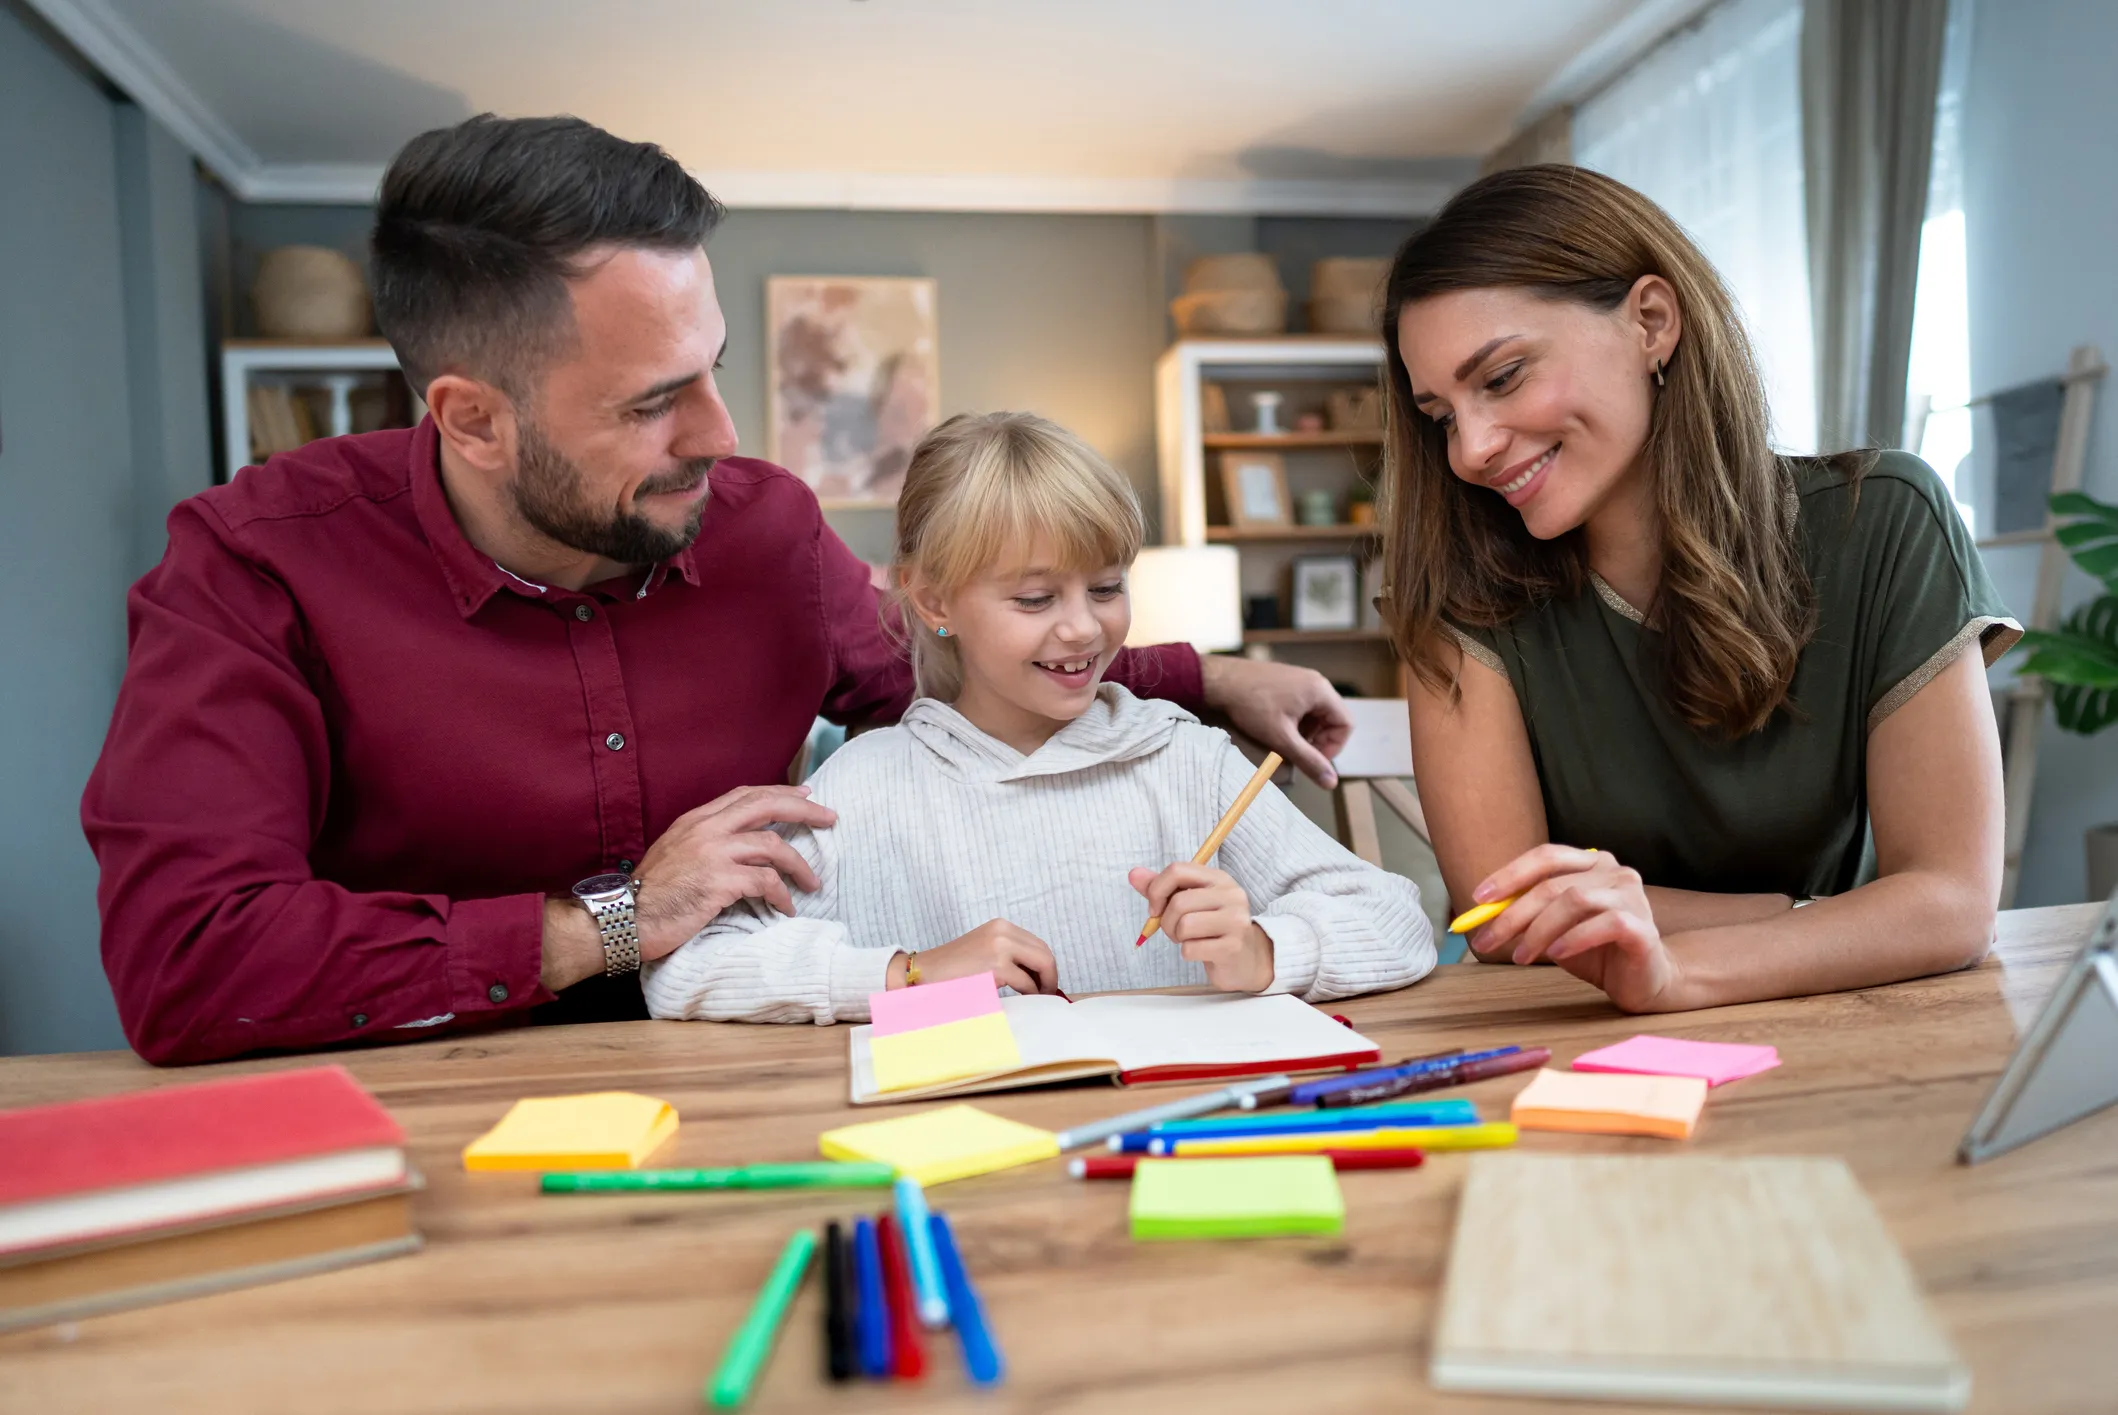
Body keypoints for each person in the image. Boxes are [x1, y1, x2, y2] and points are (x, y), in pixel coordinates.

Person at [80, 115, 1352, 1066]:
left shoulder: (766, 532)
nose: (722, 433)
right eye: (651, 402)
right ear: (471, 418)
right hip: (412, 1094)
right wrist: (617, 921)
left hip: (743, 1081)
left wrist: (1203, 674)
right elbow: (189, 964)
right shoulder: (257, 561)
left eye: (713, 370)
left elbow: (937, 676)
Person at [1380, 165, 2018, 1013]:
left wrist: (1676, 962)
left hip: (1865, 1025)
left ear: (1652, 321)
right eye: (1441, 415)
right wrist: (1819, 920)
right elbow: (1503, 917)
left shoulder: (1885, 522)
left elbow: (1950, 900)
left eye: (1501, 378)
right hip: (1586, 1042)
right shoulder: (1460, 592)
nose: (1470, 449)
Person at [644, 413, 1435, 1020]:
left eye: (1106, 586)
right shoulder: (865, 785)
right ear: (933, 600)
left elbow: (1396, 918)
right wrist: (906, 976)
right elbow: (688, 968)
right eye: (1034, 599)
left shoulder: (1186, 760)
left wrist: (1267, 949)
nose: (1085, 629)